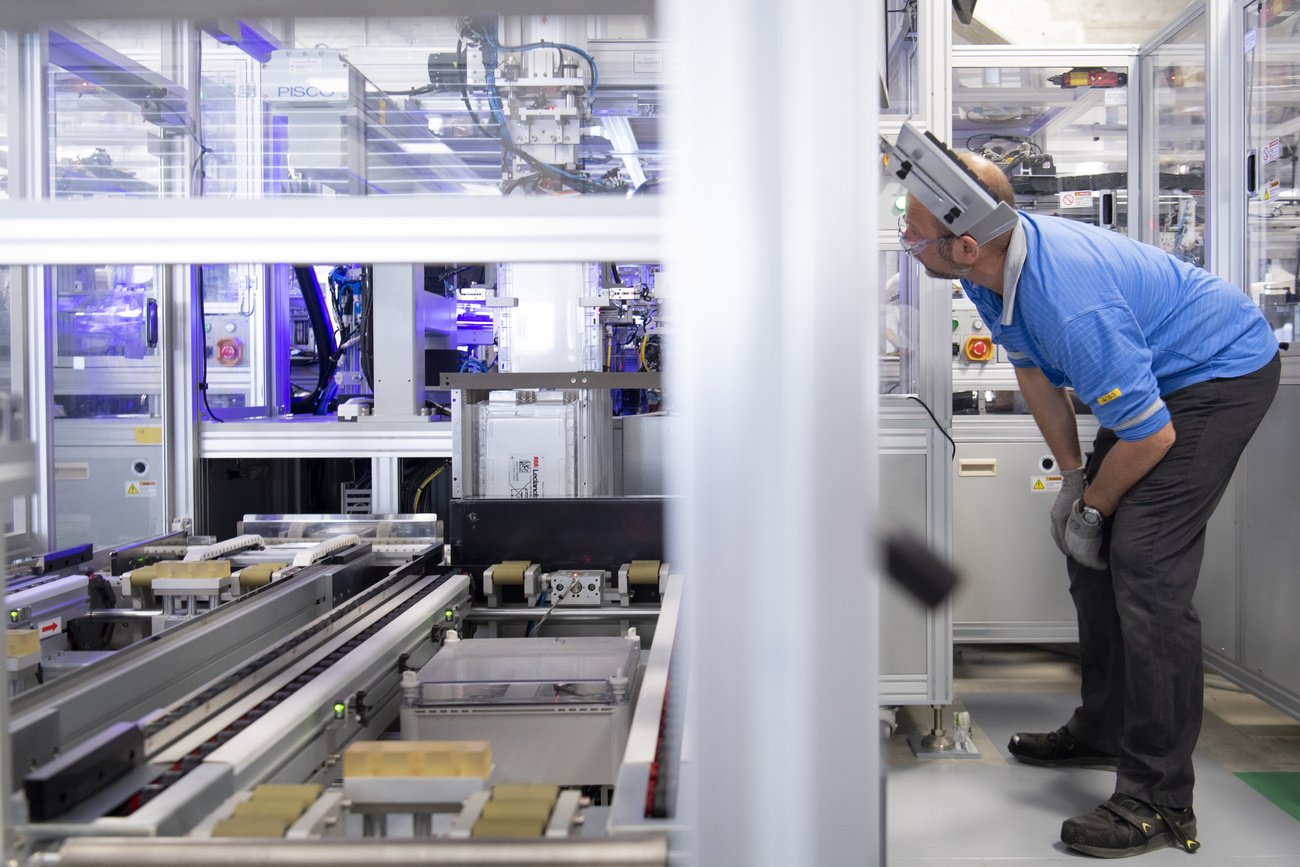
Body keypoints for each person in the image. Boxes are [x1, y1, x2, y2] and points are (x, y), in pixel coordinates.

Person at [900, 153, 1280, 858]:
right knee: (1093, 551)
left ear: (965, 245)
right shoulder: (992, 271)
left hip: (1218, 373)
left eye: (914, 236)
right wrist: (1074, 479)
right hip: (1153, 374)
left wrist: (1093, 510)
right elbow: (1030, 366)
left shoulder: (1068, 299)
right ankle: (1105, 727)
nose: (906, 244)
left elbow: (1152, 432)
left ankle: (1158, 798)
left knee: (1143, 560)